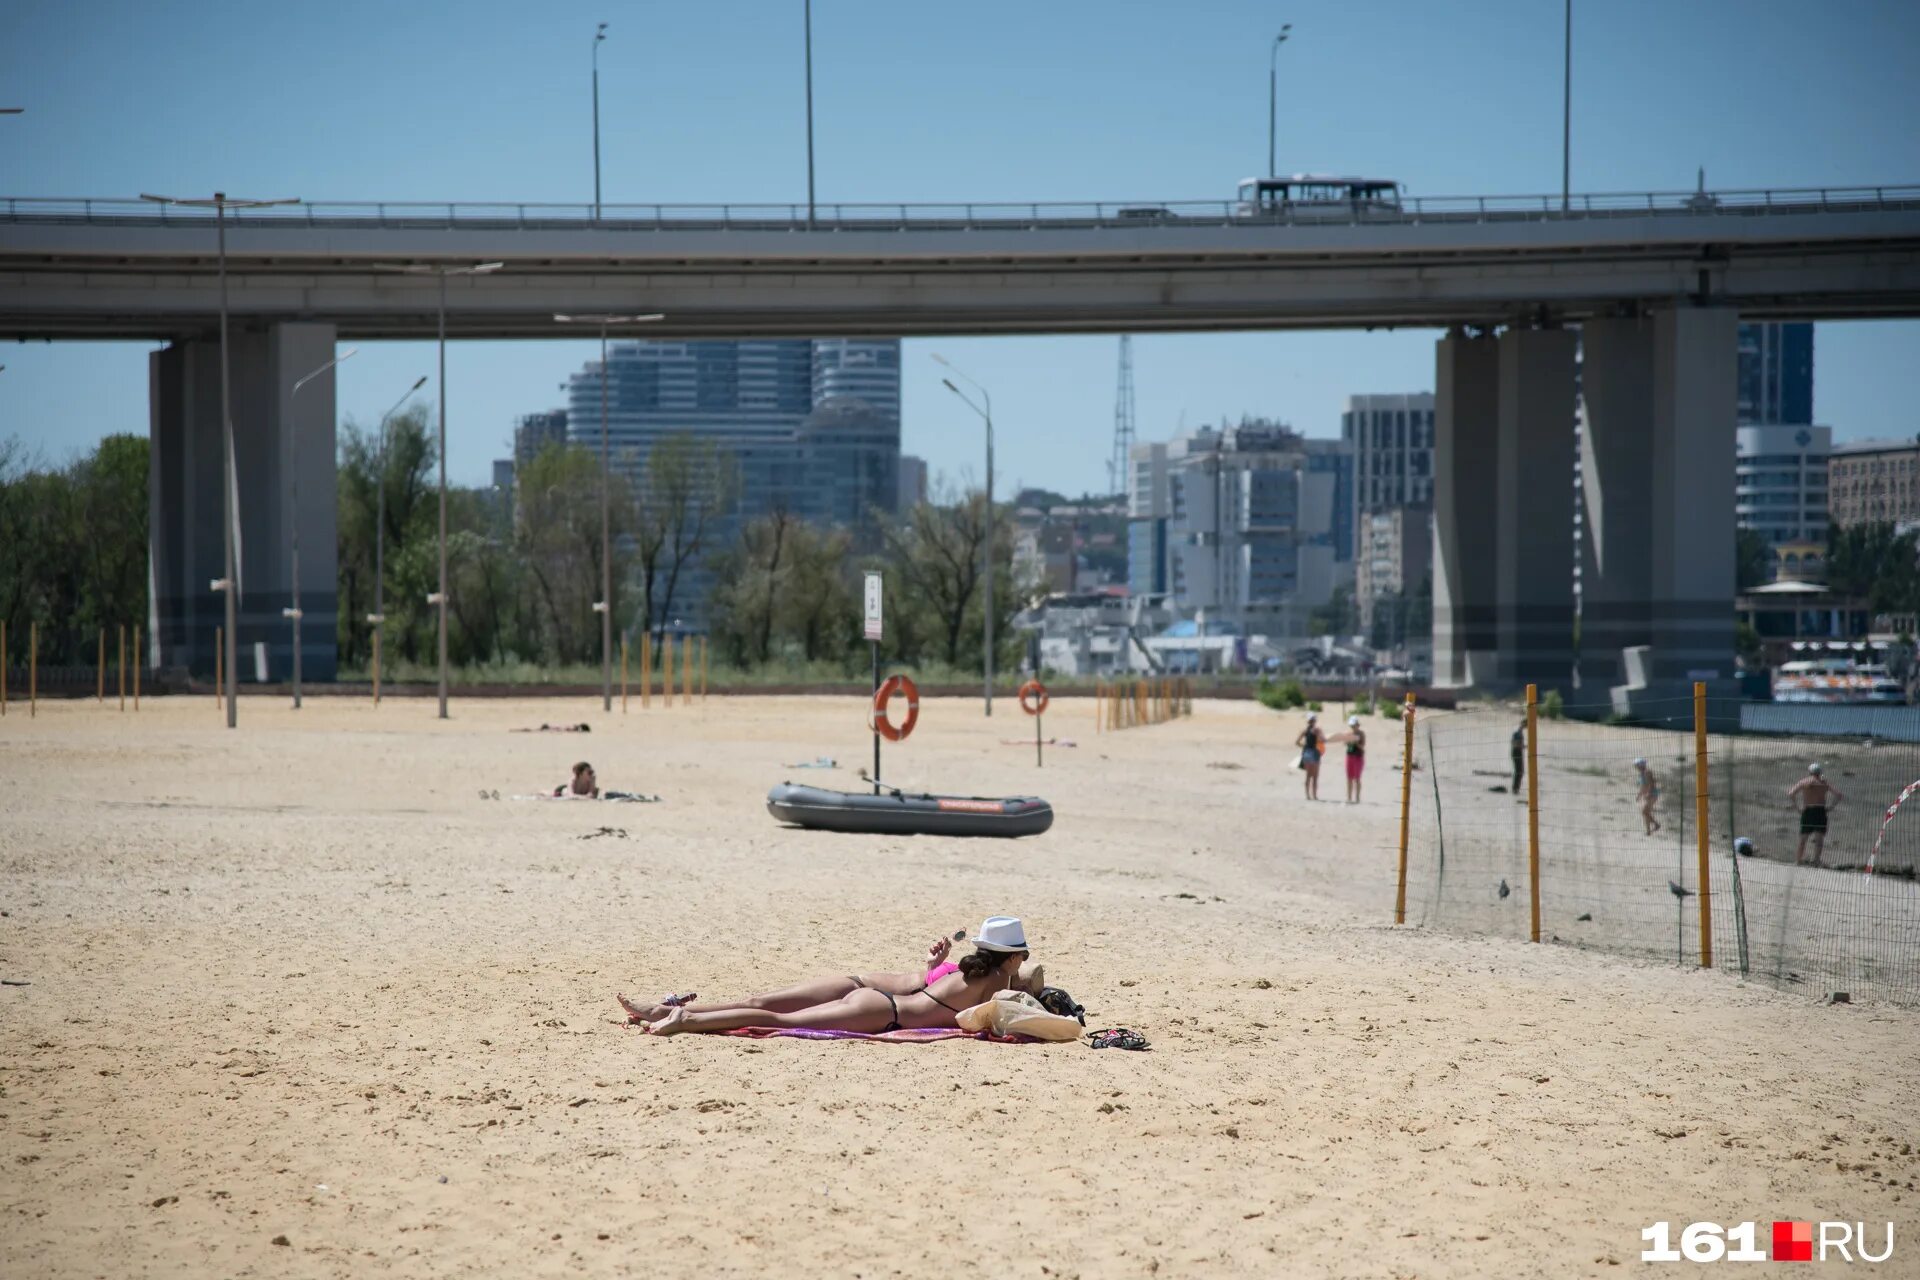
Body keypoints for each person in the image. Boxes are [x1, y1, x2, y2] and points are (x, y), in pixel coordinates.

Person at [622, 916, 1038, 1036]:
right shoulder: (997, 983)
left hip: (873, 996)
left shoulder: (971, 969)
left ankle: (677, 1016)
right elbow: (1002, 1020)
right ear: (1014, 956)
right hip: (882, 1012)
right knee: (769, 1015)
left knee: (763, 1007)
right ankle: (679, 1017)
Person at [1788, 763, 1844, 867]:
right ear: (1819, 773)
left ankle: (1798, 861)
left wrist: (1797, 808)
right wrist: (1831, 807)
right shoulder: (1823, 783)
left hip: (1808, 810)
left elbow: (1791, 793)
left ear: (1810, 772)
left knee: (1803, 838)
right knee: (1819, 838)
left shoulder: (1804, 782)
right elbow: (1839, 795)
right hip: (1820, 811)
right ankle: (1816, 861)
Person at [1323, 714, 1366, 804]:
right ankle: (1349, 797)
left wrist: (1356, 742)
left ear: (1358, 725)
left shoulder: (1361, 734)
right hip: (1349, 756)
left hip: (1358, 757)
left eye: (1354, 725)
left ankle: (1357, 797)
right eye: (1351, 726)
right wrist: (1347, 740)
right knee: (1349, 778)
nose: (1353, 727)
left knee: (1357, 778)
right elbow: (1343, 743)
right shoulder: (1348, 733)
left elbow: (1362, 748)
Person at [1295, 714, 1326, 801]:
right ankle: (1314, 795)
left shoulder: (1304, 730)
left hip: (1306, 753)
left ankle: (1307, 795)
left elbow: (1297, 742)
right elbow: (1323, 740)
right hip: (1314, 752)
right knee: (1315, 776)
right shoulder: (1317, 730)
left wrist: (1304, 746)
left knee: (1308, 776)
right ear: (1314, 721)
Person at [1633, 758, 1661, 835]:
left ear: (1640, 765)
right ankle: (1649, 830)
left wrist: (1648, 793)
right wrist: (1639, 795)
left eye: (1636, 765)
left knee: (1644, 811)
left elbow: (1651, 783)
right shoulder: (1642, 773)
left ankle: (1656, 825)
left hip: (1652, 794)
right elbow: (1643, 786)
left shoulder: (1647, 772)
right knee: (1646, 812)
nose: (1635, 767)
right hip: (1648, 794)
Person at [1510, 722, 1527, 797]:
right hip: (1517, 752)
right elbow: (1515, 743)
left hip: (1516, 752)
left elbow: (1515, 743)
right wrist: (1522, 746)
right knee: (1519, 771)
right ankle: (1515, 788)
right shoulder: (1518, 734)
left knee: (1519, 771)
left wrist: (1523, 746)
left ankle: (1516, 788)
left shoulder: (1518, 733)